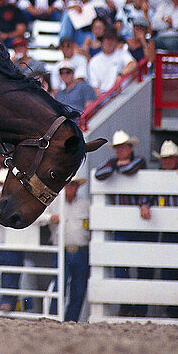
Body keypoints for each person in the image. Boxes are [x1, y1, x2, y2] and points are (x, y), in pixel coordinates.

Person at [93, 130, 150, 317]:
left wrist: (117, 167)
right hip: (123, 224)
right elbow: (99, 174)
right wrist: (118, 166)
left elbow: (130, 169)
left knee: (142, 267)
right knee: (121, 267)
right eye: (117, 148)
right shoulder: (116, 163)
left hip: (139, 225)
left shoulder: (140, 160)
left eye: (122, 147)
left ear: (130, 148)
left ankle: (139, 308)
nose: (119, 151)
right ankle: (125, 305)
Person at [47, 175, 90, 322]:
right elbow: (42, 219)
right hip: (61, 251)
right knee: (59, 286)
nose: (70, 187)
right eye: (67, 184)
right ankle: (54, 318)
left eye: (73, 184)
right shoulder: (53, 204)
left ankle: (71, 321)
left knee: (78, 289)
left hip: (81, 250)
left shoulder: (86, 204)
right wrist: (50, 219)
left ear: (78, 186)